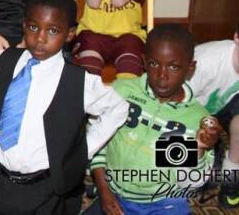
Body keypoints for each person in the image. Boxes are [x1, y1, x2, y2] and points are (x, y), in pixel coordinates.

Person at [0, 0, 128, 214]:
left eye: (52, 30)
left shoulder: (79, 82)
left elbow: (118, 108)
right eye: (33, 27)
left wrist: (82, 150)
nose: (40, 38)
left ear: (69, 34)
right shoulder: (3, 61)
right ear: (24, 25)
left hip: (45, 187)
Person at [89, 25, 220, 215]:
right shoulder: (122, 92)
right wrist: (104, 191)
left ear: (190, 68)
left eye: (174, 67)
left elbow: (190, 181)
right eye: (154, 64)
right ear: (143, 61)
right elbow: (97, 143)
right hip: (113, 194)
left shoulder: (195, 119)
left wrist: (199, 148)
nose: (162, 76)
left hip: (163, 204)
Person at [188, 2, 239, 209]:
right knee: (192, 181)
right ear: (237, 38)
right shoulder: (205, 61)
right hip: (184, 114)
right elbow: (171, 107)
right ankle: (211, 156)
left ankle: (231, 170)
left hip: (218, 118)